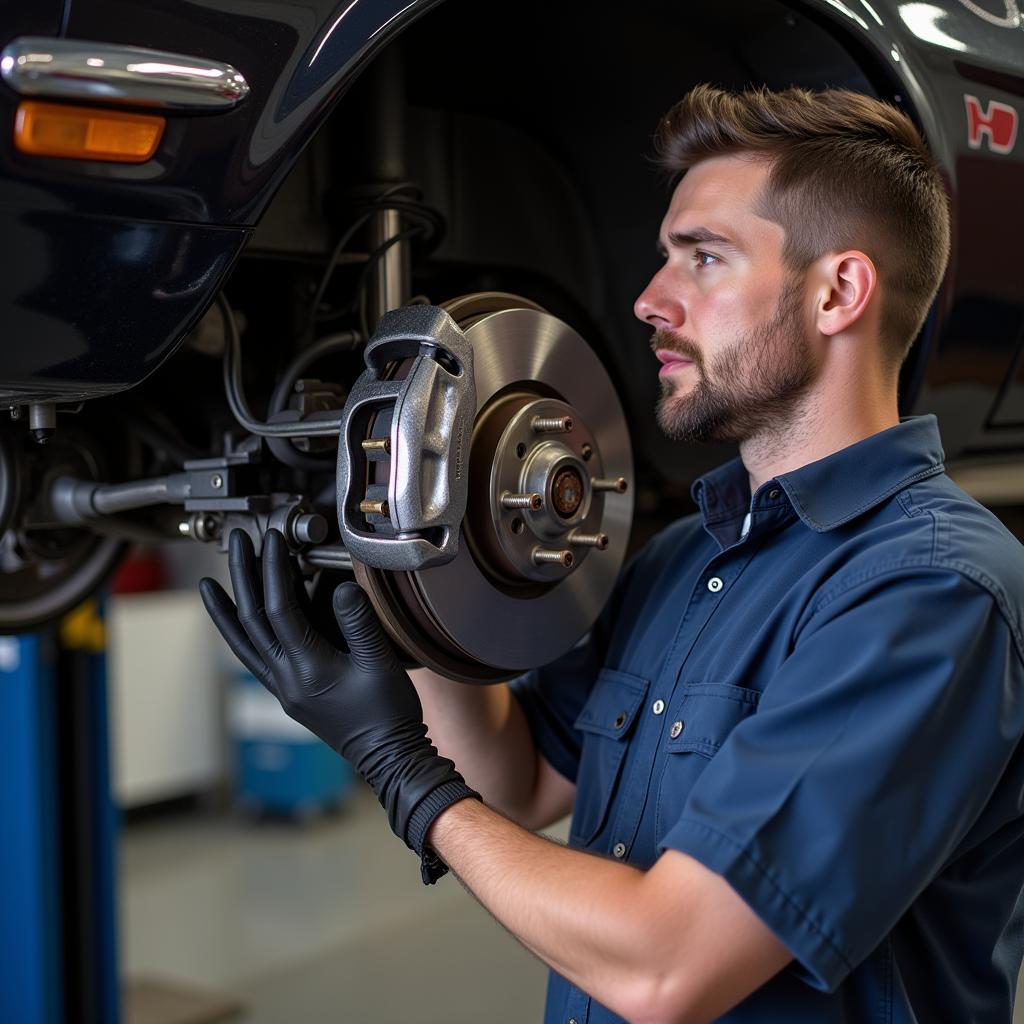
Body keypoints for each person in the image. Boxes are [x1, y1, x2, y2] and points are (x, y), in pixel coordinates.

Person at [200, 85, 1024, 1022]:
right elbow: (518, 785)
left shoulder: (929, 593)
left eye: (703, 258)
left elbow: (666, 967)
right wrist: (408, 583)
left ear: (838, 291)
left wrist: (397, 766)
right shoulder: (680, 561)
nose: (649, 300)